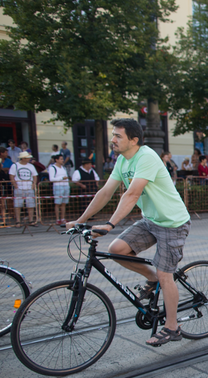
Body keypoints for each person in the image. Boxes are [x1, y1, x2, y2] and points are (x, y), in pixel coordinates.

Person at [66, 118, 191, 346]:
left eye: (118, 136)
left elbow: (132, 194)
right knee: (116, 249)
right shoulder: (123, 160)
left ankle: (172, 327)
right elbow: (105, 192)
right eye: (113, 135)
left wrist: (109, 224)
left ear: (134, 140)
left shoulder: (146, 157)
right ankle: (151, 278)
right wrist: (80, 220)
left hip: (172, 223)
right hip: (151, 220)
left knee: (166, 275)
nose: (113, 139)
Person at [9, 151, 38, 227]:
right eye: (28, 158)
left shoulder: (31, 166)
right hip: (19, 187)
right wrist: (15, 185)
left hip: (29, 187)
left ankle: (31, 220)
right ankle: (18, 221)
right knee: (18, 205)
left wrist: (33, 185)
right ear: (23, 158)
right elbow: (11, 176)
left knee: (30, 205)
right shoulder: (15, 166)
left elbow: (35, 176)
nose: (29, 159)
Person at [48, 153, 71, 226]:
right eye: (61, 159)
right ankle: (57, 219)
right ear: (56, 160)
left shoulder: (63, 167)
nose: (62, 160)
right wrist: (61, 178)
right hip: (58, 186)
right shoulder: (52, 168)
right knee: (58, 203)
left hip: (65, 186)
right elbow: (51, 179)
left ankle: (62, 218)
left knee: (64, 203)